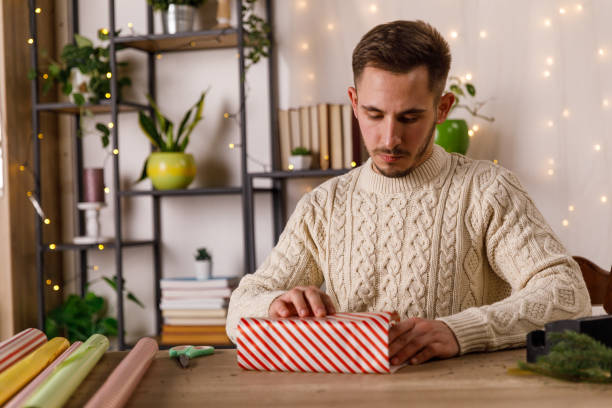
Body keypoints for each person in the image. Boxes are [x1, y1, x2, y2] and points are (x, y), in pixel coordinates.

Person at [226, 20, 591, 366]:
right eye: (373, 114)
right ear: (354, 102)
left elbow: (567, 294)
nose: (389, 139)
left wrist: (460, 331)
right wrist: (275, 305)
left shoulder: (489, 190)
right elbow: (238, 309)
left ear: (442, 108)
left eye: (409, 118)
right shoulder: (323, 205)